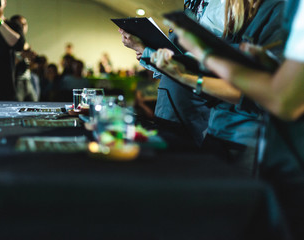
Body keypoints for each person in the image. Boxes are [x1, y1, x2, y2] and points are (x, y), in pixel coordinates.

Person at [165, 0, 304, 238]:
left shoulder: (283, 8)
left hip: (263, 145)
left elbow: (284, 100)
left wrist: (203, 54)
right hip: (229, 133)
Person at [150, 0, 288, 174]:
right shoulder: (240, 12)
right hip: (217, 132)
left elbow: (255, 94)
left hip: (246, 140)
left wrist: (191, 72)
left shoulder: (279, 10)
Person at [118, 0, 225, 147]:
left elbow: (204, 65)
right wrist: (149, 54)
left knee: (183, 158)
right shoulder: (191, 5)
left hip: (191, 109)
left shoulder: (220, 7)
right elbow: (175, 66)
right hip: (168, 105)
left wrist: (146, 51)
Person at [10, 14, 39, 102]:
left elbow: (30, 65)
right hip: (16, 81)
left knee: (35, 107)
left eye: (25, 24)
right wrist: (22, 56)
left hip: (27, 79)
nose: (23, 26)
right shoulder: (10, 40)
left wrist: (32, 60)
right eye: (20, 24)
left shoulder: (25, 43)